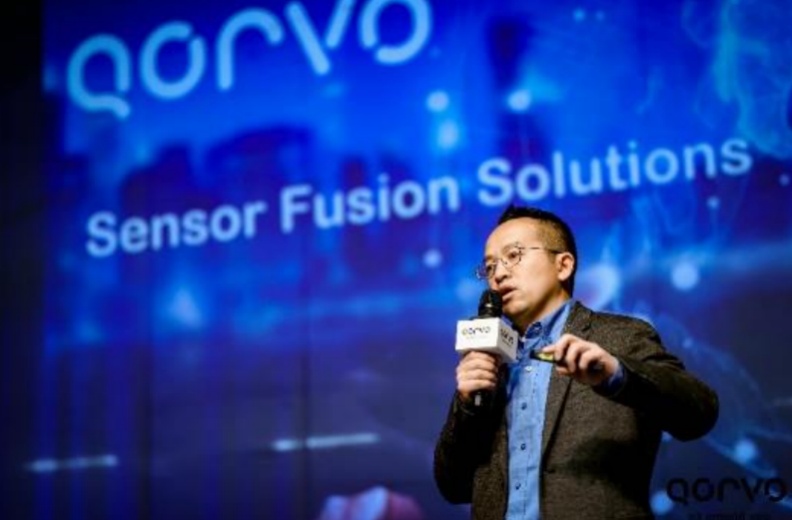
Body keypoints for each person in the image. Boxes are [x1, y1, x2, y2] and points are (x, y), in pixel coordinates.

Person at [433, 205, 719, 520]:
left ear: (564, 265)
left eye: (513, 255)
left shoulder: (620, 336)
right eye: (489, 266)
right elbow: (453, 486)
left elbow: (699, 413)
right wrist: (467, 406)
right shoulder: (489, 358)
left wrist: (614, 374)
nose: (498, 274)